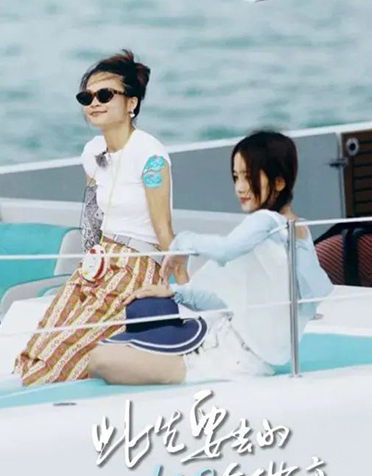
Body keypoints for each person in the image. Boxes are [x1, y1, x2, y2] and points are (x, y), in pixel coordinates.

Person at [88, 130, 333, 386]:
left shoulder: (267, 222)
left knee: (100, 359)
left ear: (279, 182)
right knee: (111, 350)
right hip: (231, 349)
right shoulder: (295, 231)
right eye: (236, 177)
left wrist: (183, 242)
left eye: (248, 176)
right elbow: (226, 302)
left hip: (226, 360)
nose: (240, 187)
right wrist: (175, 293)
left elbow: (226, 249)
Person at [15, 49, 180, 386]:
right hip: (99, 260)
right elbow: (93, 216)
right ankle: (22, 391)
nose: (94, 103)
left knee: (65, 353)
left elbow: (163, 226)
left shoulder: (149, 153)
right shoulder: (92, 152)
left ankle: (41, 396)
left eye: (105, 95)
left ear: (131, 102)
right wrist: (88, 266)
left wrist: (179, 288)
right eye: (86, 96)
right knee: (41, 340)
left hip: (137, 264)